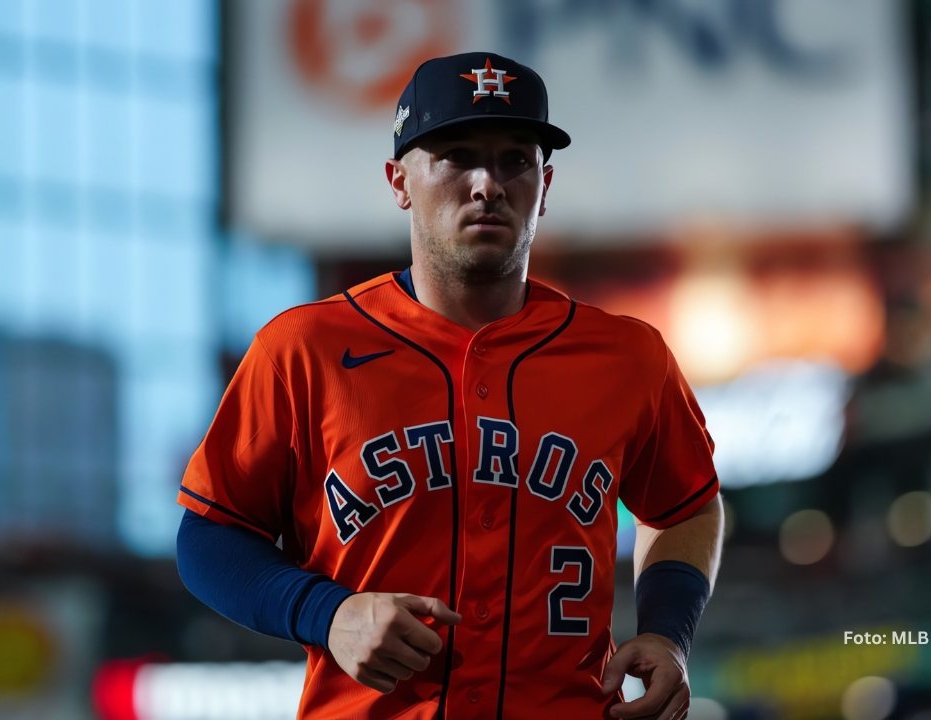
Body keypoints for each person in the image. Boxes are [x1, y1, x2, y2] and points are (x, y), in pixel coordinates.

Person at [176, 51, 724, 719]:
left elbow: (687, 506)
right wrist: (328, 613)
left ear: (544, 186)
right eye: (457, 156)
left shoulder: (628, 355)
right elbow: (209, 536)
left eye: (515, 160)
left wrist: (670, 632)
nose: (488, 183)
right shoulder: (303, 350)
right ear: (399, 180)